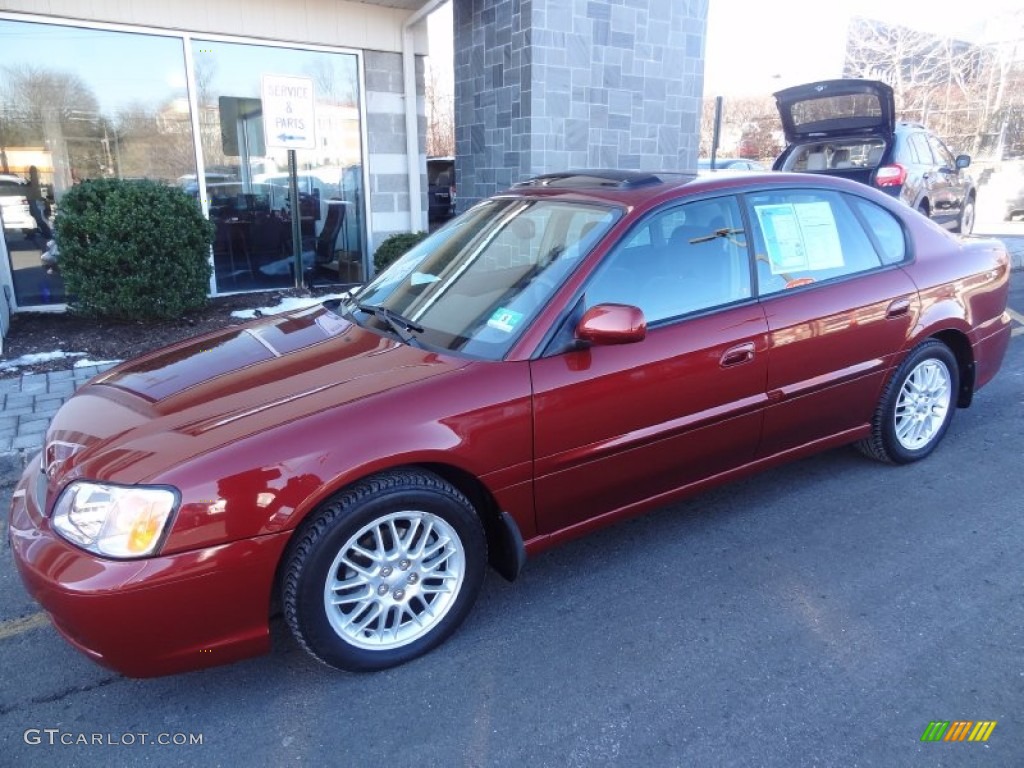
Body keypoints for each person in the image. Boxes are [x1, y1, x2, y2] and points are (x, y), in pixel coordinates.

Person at [26, 165, 52, 240]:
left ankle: (47, 234)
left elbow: (34, 191)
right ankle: (42, 233)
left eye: (31, 171)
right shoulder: (34, 180)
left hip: (35, 201)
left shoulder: (34, 180)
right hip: (34, 201)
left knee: (39, 219)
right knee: (36, 218)